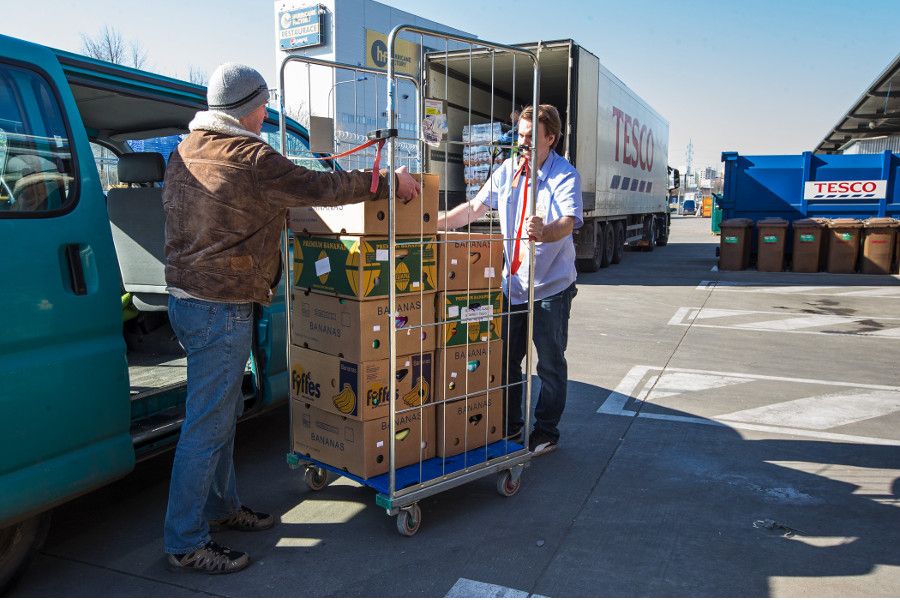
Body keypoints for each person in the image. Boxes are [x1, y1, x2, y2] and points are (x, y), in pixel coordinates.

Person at [162, 63, 419, 574]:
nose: (264, 113)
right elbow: (316, 187)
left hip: (186, 300)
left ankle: (220, 507)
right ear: (250, 108)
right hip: (221, 307)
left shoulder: (187, 149)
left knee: (220, 418)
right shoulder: (249, 157)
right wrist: (385, 179)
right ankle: (185, 540)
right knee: (206, 426)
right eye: (262, 105)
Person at [437, 104, 581, 455]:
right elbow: (474, 208)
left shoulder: (564, 175)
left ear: (551, 138)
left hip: (551, 288)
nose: (523, 142)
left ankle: (546, 431)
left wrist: (544, 231)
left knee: (549, 362)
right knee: (505, 361)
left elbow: (569, 221)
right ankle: (511, 428)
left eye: (531, 137)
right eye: (520, 135)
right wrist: (433, 223)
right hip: (512, 285)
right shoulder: (507, 171)